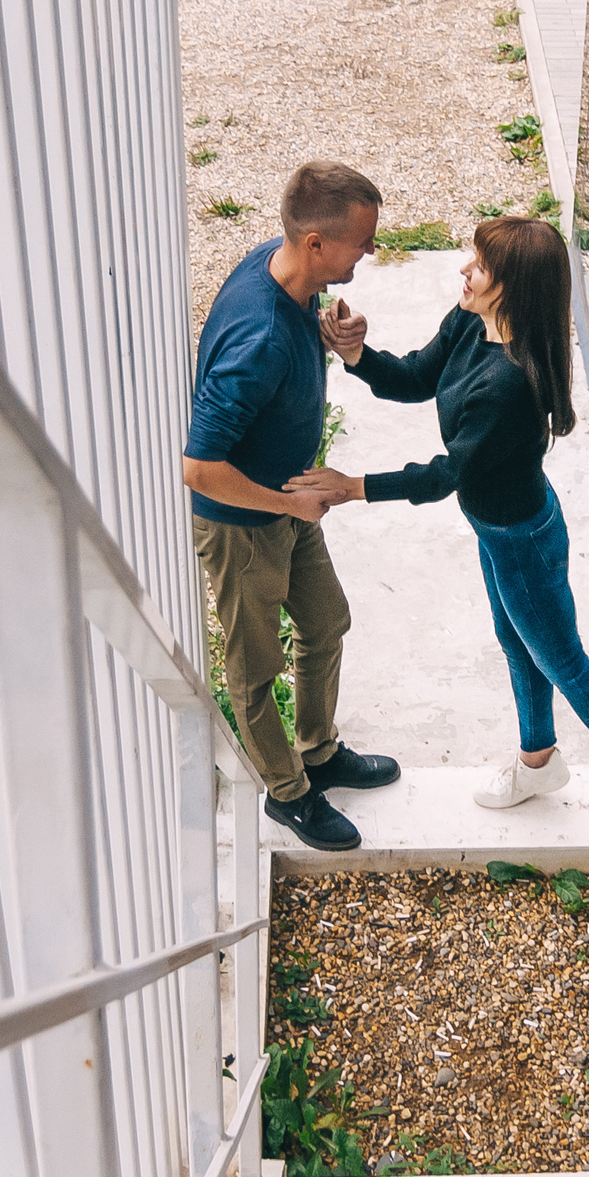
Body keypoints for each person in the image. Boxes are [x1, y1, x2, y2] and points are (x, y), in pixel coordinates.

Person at [290, 216, 589, 829]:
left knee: (560, 657)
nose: (462, 271)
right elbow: (418, 375)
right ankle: (539, 758)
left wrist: (352, 488)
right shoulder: (472, 321)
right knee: (518, 641)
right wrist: (357, 354)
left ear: (512, 287)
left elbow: (447, 475)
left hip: (522, 539)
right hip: (499, 529)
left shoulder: (509, 385)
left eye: (478, 266)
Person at [185, 162, 401, 852]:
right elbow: (198, 468)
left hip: (288, 498)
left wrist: (336, 342)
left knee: (326, 621)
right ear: (314, 243)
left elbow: (293, 345)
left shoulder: (286, 276)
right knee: (252, 673)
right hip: (245, 521)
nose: (368, 251)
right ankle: (288, 792)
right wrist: (285, 504)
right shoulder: (257, 341)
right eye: (360, 242)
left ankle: (319, 749)